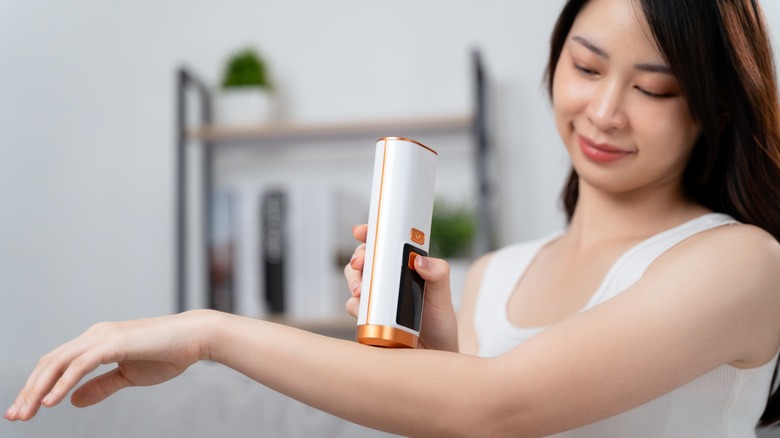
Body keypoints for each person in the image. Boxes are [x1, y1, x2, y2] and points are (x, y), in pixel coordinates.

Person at [6, 0, 780, 435]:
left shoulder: (742, 263)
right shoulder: (501, 275)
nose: (605, 111)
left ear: (712, 107)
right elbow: (470, 417)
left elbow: (497, 407)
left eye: (653, 89)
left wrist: (211, 332)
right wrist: (435, 358)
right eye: (585, 67)